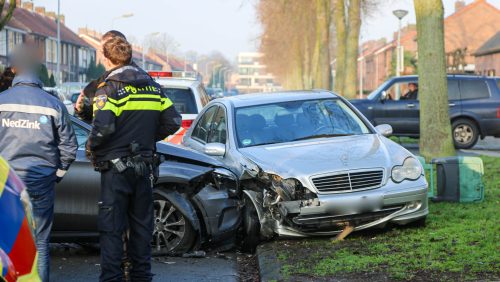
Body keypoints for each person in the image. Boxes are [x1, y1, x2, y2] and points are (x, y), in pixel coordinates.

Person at [86, 34, 181, 281]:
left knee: (112, 229)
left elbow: (102, 129)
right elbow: (173, 121)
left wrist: (92, 148)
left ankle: (112, 278)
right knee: (141, 229)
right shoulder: (153, 87)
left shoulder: (109, 88)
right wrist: (149, 139)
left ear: (107, 59)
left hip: (116, 170)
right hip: (145, 168)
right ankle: (141, 277)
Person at [0, 45, 77, 282]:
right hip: (41, 182)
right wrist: (58, 174)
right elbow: (69, 146)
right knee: (40, 244)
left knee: (4, 245)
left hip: (6, 185)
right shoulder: (53, 104)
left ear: (14, 69)